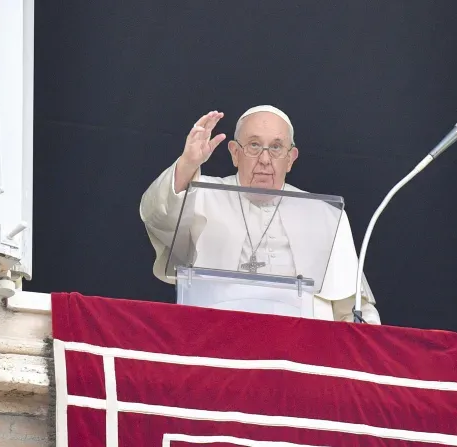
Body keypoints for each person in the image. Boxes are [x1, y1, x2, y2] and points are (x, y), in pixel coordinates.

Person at [139, 106, 380, 323]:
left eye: (276, 147)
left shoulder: (326, 215)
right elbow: (157, 215)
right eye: (254, 145)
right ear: (234, 153)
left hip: (305, 348)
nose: (265, 159)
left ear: (290, 159)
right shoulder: (200, 194)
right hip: (217, 336)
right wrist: (187, 164)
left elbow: (355, 306)